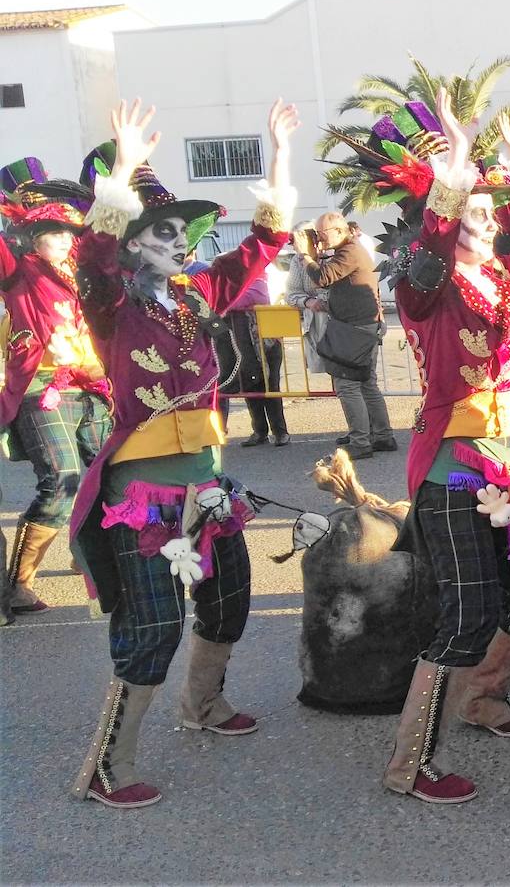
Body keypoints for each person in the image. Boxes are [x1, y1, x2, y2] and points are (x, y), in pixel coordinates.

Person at [68, 97, 298, 809]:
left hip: (208, 487)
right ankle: (108, 767)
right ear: (133, 244)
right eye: (162, 232)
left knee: (228, 602)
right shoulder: (111, 304)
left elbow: (262, 243)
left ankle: (203, 705)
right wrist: (125, 167)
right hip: (143, 495)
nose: (180, 242)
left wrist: (279, 156)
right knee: (154, 627)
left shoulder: (194, 297)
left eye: (183, 232)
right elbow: (90, 256)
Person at [381, 90, 510, 804]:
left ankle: (484, 697)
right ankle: (410, 762)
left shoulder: (500, 280)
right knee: (465, 615)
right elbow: (435, 241)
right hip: (450, 470)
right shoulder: (422, 287)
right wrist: (457, 170)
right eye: (474, 209)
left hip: (508, 461)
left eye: (490, 209)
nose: (488, 217)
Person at [0, 157, 110, 619]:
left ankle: (98, 565)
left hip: (95, 386)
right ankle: (18, 585)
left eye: (68, 233)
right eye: (52, 232)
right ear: (32, 238)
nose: (63, 240)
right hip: (43, 385)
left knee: (109, 479)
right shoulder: (20, 273)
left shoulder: (85, 275)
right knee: (62, 478)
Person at [299, 211, 396, 459]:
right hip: (362, 326)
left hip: (356, 329)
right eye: (317, 234)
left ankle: (361, 441)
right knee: (366, 383)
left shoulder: (350, 252)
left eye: (322, 234)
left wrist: (304, 255)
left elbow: (322, 278)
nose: (320, 238)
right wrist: (316, 253)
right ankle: (382, 436)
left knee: (348, 384)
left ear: (340, 231)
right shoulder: (348, 250)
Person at [226, 273, 290, 447]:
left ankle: (280, 432)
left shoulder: (259, 282)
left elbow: (238, 300)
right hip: (244, 346)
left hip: (267, 344)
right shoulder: (235, 283)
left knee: (271, 387)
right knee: (249, 386)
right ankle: (259, 431)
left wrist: (226, 297)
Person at [283, 221, 331, 378]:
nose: (294, 246)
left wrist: (321, 298)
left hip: (339, 324)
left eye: (297, 241)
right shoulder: (297, 261)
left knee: (347, 380)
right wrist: (307, 301)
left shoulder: (332, 256)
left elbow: (330, 285)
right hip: (316, 326)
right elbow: (291, 293)